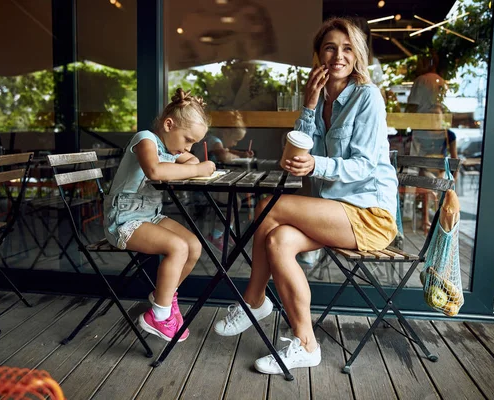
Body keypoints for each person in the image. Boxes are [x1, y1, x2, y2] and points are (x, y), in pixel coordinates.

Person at [213, 18, 398, 374]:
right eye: (330, 47)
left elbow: (365, 166)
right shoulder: (323, 97)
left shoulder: (367, 98)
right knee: (279, 240)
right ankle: (306, 344)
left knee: (269, 205)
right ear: (318, 54)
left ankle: (253, 299)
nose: (338, 56)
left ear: (357, 55)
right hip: (334, 212)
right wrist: (311, 103)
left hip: (370, 214)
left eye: (346, 48)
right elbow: (296, 150)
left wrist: (316, 166)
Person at [103, 88, 216, 342]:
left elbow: (189, 160)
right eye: (187, 139)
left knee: (194, 246)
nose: (189, 146)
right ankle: (159, 314)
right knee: (177, 247)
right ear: (168, 124)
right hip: (123, 221)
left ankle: (164, 297)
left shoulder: (169, 149)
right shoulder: (145, 140)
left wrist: (191, 161)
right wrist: (198, 169)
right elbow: (154, 171)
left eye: (194, 143)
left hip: (149, 216)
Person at [198, 111, 254, 250]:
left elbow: (225, 150)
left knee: (234, 200)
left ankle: (225, 231)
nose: (235, 143)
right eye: (235, 140)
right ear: (226, 132)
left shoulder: (214, 141)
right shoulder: (214, 141)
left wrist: (241, 153)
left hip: (207, 183)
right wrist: (239, 158)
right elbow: (224, 155)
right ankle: (216, 235)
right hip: (202, 187)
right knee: (235, 201)